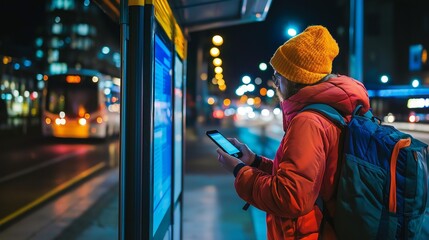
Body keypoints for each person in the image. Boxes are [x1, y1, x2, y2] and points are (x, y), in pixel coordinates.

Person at [216, 25, 370, 239]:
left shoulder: (308, 122)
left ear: (294, 77)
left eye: (279, 73)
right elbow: (306, 180)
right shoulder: (335, 112)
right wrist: (254, 162)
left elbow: (289, 198)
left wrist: (240, 172)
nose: (276, 80)